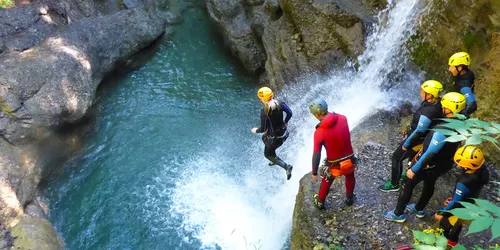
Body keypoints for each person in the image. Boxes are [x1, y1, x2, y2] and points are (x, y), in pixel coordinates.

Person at [383, 92, 467, 222]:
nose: (442, 108)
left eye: (444, 106)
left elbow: (430, 153)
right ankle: (419, 208)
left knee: (407, 183)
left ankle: (398, 214)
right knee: (430, 183)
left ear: (449, 109)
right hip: (445, 163)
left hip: (431, 163)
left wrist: (414, 169)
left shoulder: (443, 130)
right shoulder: (461, 123)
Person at [378, 80, 444, 192]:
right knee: (411, 156)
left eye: (422, 91)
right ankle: (408, 169)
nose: (420, 93)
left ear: (430, 95)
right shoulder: (437, 104)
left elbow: (419, 131)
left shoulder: (429, 111)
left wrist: (406, 143)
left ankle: (394, 184)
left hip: (418, 140)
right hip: (423, 138)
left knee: (396, 158)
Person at [435, 145, 489, 248]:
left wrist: (442, 211)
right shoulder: (483, 170)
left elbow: (455, 203)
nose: (458, 166)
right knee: (459, 223)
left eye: (459, 164)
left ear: (466, 166)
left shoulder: (463, 183)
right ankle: (453, 241)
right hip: (472, 203)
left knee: (445, 223)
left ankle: (442, 242)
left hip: (460, 207)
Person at [309, 98, 356, 209]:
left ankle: (320, 201)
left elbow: (317, 153)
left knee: (327, 177)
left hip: (335, 164)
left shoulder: (319, 132)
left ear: (316, 114)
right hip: (350, 159)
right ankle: (349, 198)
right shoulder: (343, 118)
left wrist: (314, 172)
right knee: (350, 175)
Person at [251, 87, 293, 180]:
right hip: (284, 133)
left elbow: (263, 129)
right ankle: (274, 159)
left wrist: (255, 130)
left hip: (275, 139)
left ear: (262, 99)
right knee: (265, 140)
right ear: (272, 95)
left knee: (267, 154)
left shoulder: (264, 112)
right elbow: (290, 113)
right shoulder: (280, 103)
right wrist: (286, 122)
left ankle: (286, 167)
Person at [448, 52, 477, 117]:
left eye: (451, 67)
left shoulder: (464, 86)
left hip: (458, 109)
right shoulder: (468, 73)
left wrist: (458, 116)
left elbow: (472, 105)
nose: (449, 69)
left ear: (460, 68)